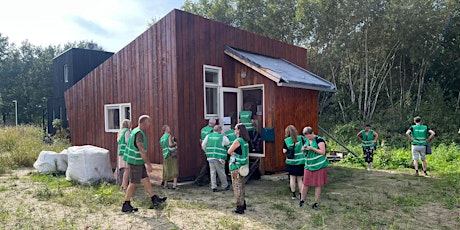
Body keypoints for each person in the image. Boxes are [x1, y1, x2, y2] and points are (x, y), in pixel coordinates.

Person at [121, 115, 167, 213]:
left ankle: (154, 199)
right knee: (133, 182)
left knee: (145, 180)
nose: (150, 124)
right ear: (144, 123)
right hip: (135, 161)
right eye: (149, 122)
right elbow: (141, 149)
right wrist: (148, 164)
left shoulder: (135, 130)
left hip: (137, 161)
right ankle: (126, 204)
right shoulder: (139, 134)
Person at [299, 126, 329, 210]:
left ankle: (316, 203)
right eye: (306, 137)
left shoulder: (319, 140)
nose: (308, 138)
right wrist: (303, 149)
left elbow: (322, 152)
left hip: (319, 165)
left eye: (309, 136)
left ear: (312, 133)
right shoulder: (306, 140)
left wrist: (312, 148)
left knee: (318, 184)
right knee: (305, 184)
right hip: (309, 165)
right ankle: (302, 200)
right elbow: (304, 151)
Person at [227, 123, 250, 214]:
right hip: (243, 166)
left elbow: (229, 151)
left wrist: (232, 153)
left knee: (237, 186)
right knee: (242, 186)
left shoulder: (238, 140)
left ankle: (239, 207)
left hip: (236, 166)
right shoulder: (245, 141)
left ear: (239, 130)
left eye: (235, 128)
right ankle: (243, 203)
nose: (234, 130)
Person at [202, 125, 230, 192]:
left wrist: (207, 151)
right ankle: (224, 185)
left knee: (212, 172)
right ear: (219, 130)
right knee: (221, 172)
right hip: (219, 157)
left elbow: (203, 145)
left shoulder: (208, 136)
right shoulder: (222, 137)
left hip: (210, 157)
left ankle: (213, 187)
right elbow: (228, 143)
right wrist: (225, 135)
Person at [283, 125, 305, 200]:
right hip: (301, 161)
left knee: (292, 178)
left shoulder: (287, 140)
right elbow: (305, 145)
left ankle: (293, 195)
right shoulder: (301, 138)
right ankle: (301, 194)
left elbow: (284, 151)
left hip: (291, 162)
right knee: (300, 179)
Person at [195, 118, 217, 186]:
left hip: (204, 148)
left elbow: (201, 139)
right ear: (213, 124)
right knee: (208, 165)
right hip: (210, 149)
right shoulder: (211, 130)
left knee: (208, 164)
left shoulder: (203, 129)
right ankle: (199, 179)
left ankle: (208, 179)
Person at [160, 125, 179, 189]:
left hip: (165, 154)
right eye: (169, 128)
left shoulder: (162, 137)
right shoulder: (169, 135)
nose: (170, 129)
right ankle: (175, 185)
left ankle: (166, 184)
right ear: (166, 129)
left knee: (166, 169)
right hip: (170, 153)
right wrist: (175, 144)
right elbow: (170, 144)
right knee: (174, 168)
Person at [117, 119, 131, 191]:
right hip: (125, 153)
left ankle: (122, 185)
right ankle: (125, 186)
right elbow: (128, 141)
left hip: (120, 153)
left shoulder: (120, 132)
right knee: (127, 170)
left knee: (125, 169)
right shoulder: (127, 131)